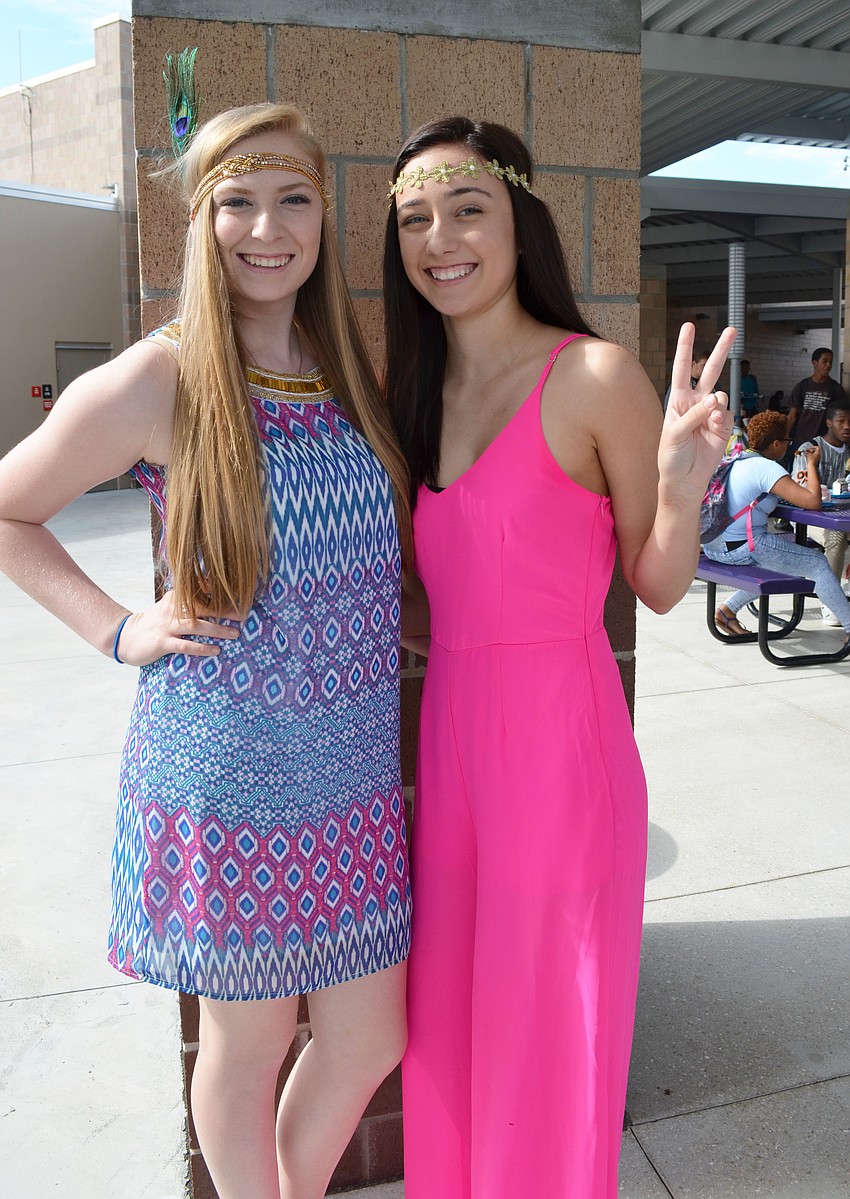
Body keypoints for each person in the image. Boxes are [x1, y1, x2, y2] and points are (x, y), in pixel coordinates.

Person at [0, 103, 413, 1199]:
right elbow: (7, 510)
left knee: (370, 1036)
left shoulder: (343, 369)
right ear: (200, 218)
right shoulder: (159, 377)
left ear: (325, 214)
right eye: (237, 201)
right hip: (231, 776)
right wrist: (118, 628)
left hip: (353, 780)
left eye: (293, 199)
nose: (265, 228)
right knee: (246, 1048)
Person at [382, 115, 736, 1199]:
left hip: (560, 760)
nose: (439, 237)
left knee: (550, 1040)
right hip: (450, 759)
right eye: (411, 218)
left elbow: (660, 584)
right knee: (447, 1034)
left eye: (466, 208)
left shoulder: (589, 374)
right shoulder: (417, 392)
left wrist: (680, 484)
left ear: (519, 219)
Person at [703, 410, 850, 638]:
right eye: (787, 441)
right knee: (817, 563)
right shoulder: (767, 468)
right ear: (775, 443)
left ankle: (727, 611)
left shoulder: (737, 459)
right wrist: (812, 463)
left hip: (716, 546)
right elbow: (813, 502)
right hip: (743, 547)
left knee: (786, 558)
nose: (788, 446)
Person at [791, 400, 850, 620]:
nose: (847, 426)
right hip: (808, 517)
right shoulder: (809, 449)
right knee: (836, 538)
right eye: (841, 421)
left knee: (840, 531)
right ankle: (831, 601)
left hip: (840, 516)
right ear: (828, 422)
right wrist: (812, 466)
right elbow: (799, 491)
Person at [787, 347, 847, 449]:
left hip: (825, 442)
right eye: (824, 361)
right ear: (814, 363)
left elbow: (840, 417)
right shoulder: (802, 386)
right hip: (801, 441)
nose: (828, 365)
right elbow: (792, 416)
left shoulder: (835, 388)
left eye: (830, 362)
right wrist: (784, 436)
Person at [662, 344, 708, 411]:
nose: (706, 369)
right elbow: (669, 406)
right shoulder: (682, 383)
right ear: (694, 364)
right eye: (703, 365)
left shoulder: (712, 384)